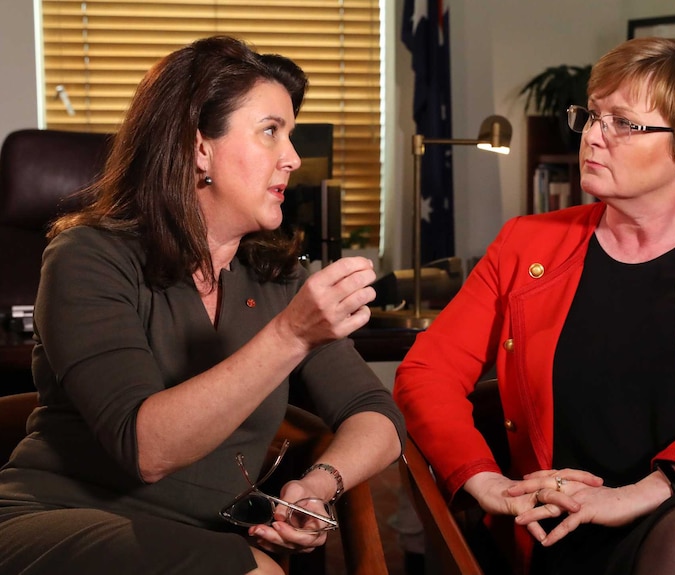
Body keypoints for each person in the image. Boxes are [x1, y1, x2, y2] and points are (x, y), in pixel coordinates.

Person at [393, 37, 675, 575]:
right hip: (573, 514)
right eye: (592, 116)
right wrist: (483, 478)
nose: (593, 136)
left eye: (623, 123)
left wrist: (652, 488)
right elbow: (426, 372)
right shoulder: (526, 244)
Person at [0, 36, 404, 575]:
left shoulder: (276, 277)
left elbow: (377, 415)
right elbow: (147, 450)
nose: (293, 157)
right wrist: (290, 336)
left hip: (200, 538)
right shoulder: (88, 258)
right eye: (270, 132)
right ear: (199, 148)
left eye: (290, 134)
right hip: (61, 518)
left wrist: (316, 484)